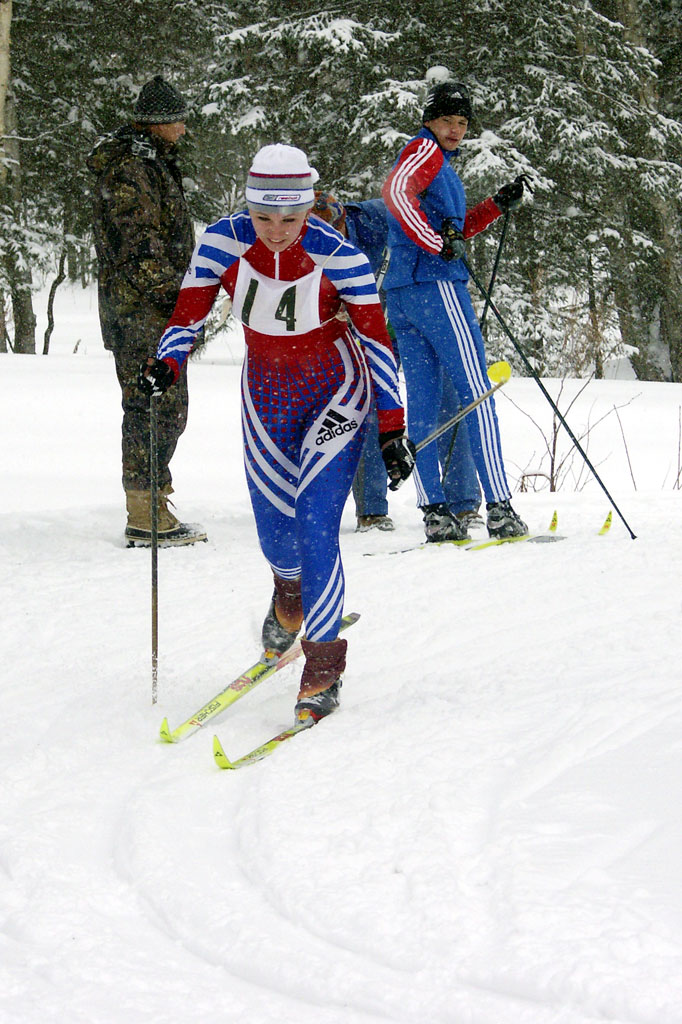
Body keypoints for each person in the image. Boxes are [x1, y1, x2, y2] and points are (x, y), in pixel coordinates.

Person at [138, 144, 414, 725]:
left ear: (310, 206)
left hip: (336, 389)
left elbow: (377, 341)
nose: (278, 231)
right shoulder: (223, 240)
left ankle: (323, 664)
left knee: (316, 527)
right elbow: (189, 312)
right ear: (249, 205)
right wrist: (167, 362)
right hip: (265, 391)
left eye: (291, 217)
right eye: (265, 217)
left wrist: (392, 428)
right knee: (275, 535)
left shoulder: (340, 255)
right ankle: (288, 595)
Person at [381, 79, 527, 541]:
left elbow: (454, 231)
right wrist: (435, 241)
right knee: (476, 393)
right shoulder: (424, 153)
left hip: (404, 291)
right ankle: (501, 508)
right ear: (429, 119)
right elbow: (396, 194)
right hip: (436, 289)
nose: (455, 130)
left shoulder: (436, 163)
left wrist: (495, 206)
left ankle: (436, 513)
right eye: (447, 120)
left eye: (462, 123)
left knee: (422, 402)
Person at [312, 191, 482, 537]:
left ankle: (463, 504)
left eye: (334, 232)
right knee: (371, 406)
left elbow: (435, 223)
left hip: (413, 311)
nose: (328, 242)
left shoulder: (376, 217)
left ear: (343, 219)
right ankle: (373, 511)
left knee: (448, 400)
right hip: (368, 331)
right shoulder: (306, 248)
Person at [87, 75, 206, 547]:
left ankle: (153, 500)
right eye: (178, 120)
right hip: (141, 311)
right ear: (160, 123)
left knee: (164, 407)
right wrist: (176, 299)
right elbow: (138, 246)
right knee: (153, 407)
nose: (183, 128)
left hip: (151, 308)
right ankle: (144, 511)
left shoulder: (152, 163)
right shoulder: (133, 168)